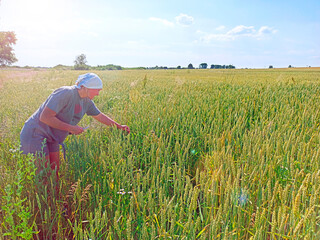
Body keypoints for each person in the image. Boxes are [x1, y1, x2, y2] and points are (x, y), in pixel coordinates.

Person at [20, 73, 130, 187]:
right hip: (35, 133)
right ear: (87, 88)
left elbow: (100, 116)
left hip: (52, 137)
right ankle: (41, 201)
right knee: (43, 173)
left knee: (54, 171)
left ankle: (54, 197)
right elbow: (45, 117)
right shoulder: (65, 93)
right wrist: (70, 128)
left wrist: (119, 126)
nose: (98, 93)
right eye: (97, 90)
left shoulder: (87, 101)